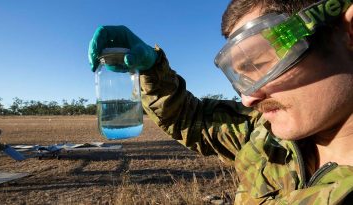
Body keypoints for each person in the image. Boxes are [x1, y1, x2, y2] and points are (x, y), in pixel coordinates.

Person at [88, 0, 353, 203]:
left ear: (348, 33)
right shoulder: (264, 136)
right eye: (242, 77)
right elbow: (189, 119)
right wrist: (152, 67)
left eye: (262, 65)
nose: (249, 98)